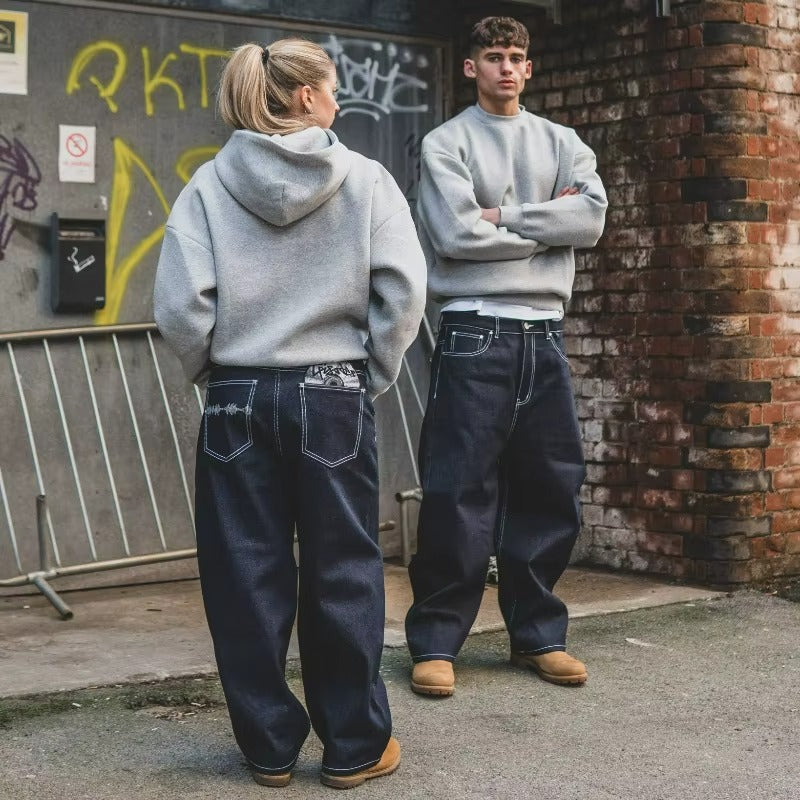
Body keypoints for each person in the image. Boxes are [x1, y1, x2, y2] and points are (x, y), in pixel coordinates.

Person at [153, 39, 426, 788]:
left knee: (243, 573)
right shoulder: (366, 180)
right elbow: (403, 291)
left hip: (238, 394)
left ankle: (269, 748)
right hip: (333, 390)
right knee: (344, 570)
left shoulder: (208, 185)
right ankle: (355, 747)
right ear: (305, 96)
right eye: (331, 87)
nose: (337, 99)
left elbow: (180, 306)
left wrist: (216, 371)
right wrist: (365, 376)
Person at [405, 16, 607, 697]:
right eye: (494, 56)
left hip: (545, 334)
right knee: (458, 490)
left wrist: (503, 216)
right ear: (472, 67)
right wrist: (547, 221)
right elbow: (456, 237)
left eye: (517, 56)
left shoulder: (562, 141)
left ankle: (539, 635)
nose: (507, 68)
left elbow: (590, 219)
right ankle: (437, 643)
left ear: (529, 66)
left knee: (551, 487)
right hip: (474, 330)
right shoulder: (446, 143)